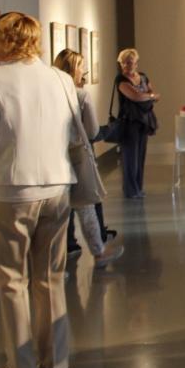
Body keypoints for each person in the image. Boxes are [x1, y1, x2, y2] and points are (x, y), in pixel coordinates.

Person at [0, 12, 81, 368]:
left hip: (11, 190)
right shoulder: (61, 79)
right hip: (57, 187)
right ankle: (56, 358)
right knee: (50, 276)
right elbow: (72, 132)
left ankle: (21, 367)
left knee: (12, 279)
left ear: (7, 39)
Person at [54, 49, 124, 268]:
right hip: (77, 155)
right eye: (82, 67)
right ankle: (98, 252)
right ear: (75, 69)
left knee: (58, 211)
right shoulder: (81, 95)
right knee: (86, 206)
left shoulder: (49, 94)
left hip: (53, 156)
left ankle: (59, 256)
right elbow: (92, 131)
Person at [115, 48, 159, 198]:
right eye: (123, 63)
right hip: (129, 122)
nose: (126, 66)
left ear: (136, 63)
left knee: (140, 156)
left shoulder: (143, 77)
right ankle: (131, 190)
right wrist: (149, 96)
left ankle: (138, 188)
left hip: (144, 121)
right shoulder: (121, 80)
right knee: (130, 157)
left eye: (130, 62)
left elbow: (152, 94)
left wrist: (149, 95)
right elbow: (136, 96)